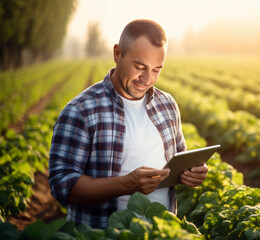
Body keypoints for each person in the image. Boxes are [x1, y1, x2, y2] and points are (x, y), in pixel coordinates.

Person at [48, 19, 208, 228]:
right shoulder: (81, 110)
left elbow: (178, 160)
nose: (147, 78)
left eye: (156, 69)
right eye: (139, 66)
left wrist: (191, 173)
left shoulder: (167, 105)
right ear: (117, 53)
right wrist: (126, 184)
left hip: (162, 231)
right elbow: (62, 184)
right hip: (104, 232)